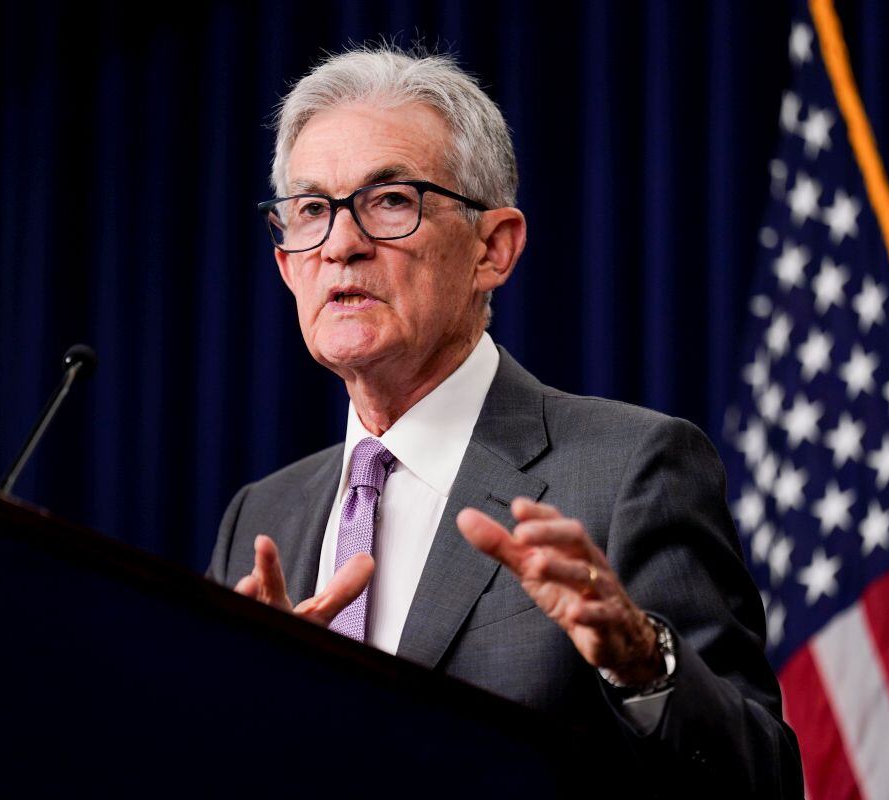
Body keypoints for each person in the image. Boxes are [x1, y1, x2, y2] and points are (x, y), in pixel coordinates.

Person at [207, 45, 803, 795]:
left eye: (391, 201)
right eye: (312, 210)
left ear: (494, 248)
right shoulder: (261, 516)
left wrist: (643, 662)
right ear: (288, 264)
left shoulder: (629, 470)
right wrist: (217, 706)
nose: (342, 244)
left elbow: (764, 783)